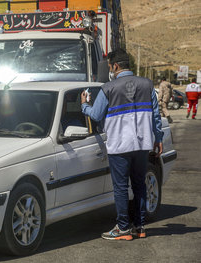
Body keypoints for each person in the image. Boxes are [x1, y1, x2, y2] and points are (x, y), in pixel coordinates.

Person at [81, 49, 163, 241]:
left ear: (115, 66)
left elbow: (95, 115)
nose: (110, 69)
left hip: (119, 146)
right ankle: (140, 227)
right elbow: (156, 116)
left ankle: (123, 228)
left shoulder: (108, 88)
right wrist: (158, 138)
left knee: (120, 187)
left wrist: (85, 105)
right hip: (143, 144)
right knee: (139, 185)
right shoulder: (147, 84)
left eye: (110, 66)